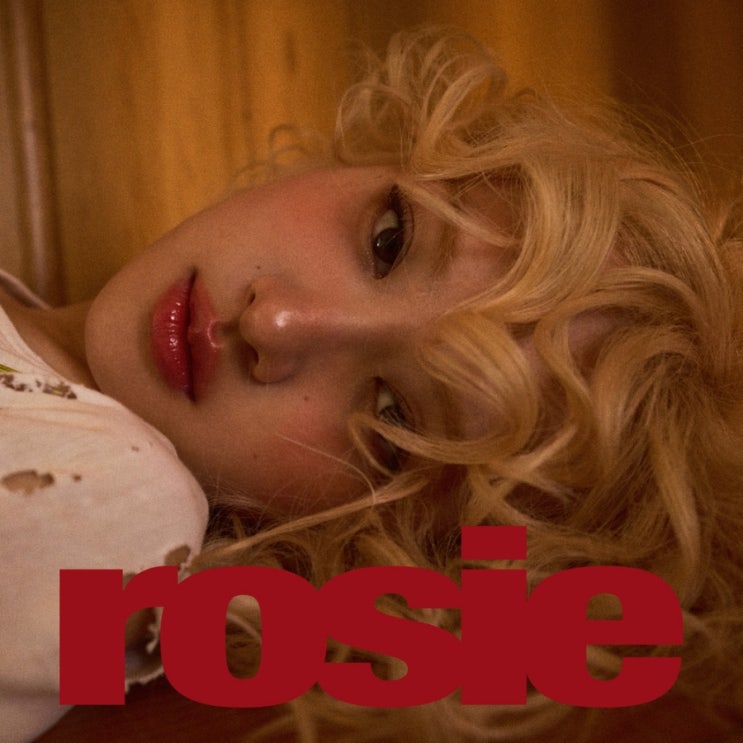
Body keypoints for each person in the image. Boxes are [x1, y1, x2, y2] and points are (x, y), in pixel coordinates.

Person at [3, 27, 743, 743]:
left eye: (392, 418)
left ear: (373, 549)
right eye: (390, 240)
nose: (275, 323)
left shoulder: (116, 510)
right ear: (385, 152)